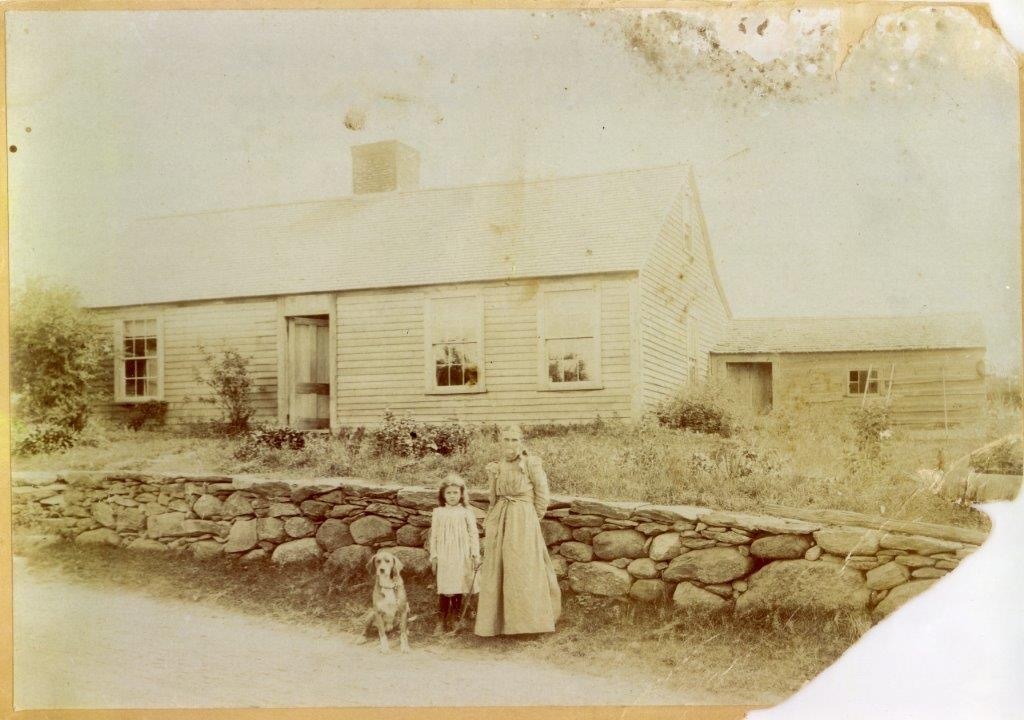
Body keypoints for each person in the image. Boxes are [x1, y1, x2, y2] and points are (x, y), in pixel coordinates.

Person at [474, 424, 562, 637]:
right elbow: (493, 497)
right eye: (507, 440)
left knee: (523, 567)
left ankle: (529, 624)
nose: (511, 444)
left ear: (521, 442)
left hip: (523, 518)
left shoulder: (531, 464)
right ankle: (499, 624)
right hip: (501, 517)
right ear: (500, 442)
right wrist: (493, 519)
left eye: (515, 440)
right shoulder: (496, 466)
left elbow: (542, 495)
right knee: (499, 567)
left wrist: (531, 518)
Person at [428, 473, 481, 633]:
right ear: (443, 495)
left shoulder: (466, 512)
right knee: (445, 585)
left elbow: (473, 534)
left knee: (459, 584)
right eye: (448, 493)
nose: (452, 496)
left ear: (461, 494)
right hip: (445, 554)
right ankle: (442, 618)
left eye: (455, 493)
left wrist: (475, 554)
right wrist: (434, 556)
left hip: (462, 553)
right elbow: (435, 536)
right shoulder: (438, 512)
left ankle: (457, 618)